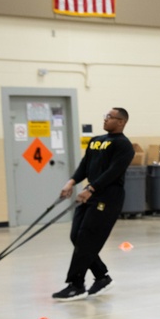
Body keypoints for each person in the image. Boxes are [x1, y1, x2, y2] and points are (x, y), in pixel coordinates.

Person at [53, 108, 134, 301]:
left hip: (107, 197)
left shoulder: (124, 146)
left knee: (87, 237)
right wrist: (71, 182)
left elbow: (113, 172)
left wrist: (91, 188)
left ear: (121, 122)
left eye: (110, 117)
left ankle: (76, 285)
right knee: (77, 236)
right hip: (90, 194)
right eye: (105, 116)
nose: (105, 120)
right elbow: (85, 165)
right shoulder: (96, 140)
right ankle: (101, 277)